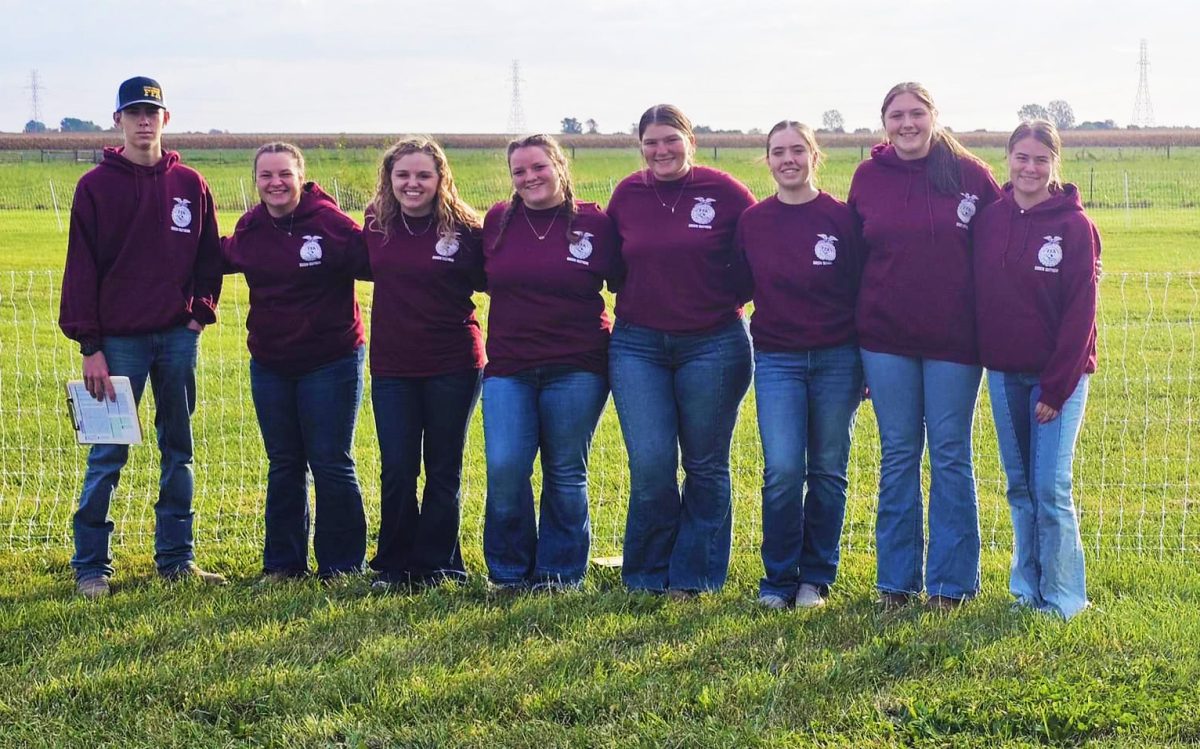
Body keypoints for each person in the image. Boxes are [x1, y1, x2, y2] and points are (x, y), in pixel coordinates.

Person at [59, 76, 225, 599]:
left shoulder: (191, 184)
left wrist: (198, 315)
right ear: (119, 122)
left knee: (179, 447)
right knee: (108, 453)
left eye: (152, 112)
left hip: (177, 338)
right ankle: (91, 565)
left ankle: (177, 558)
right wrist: (91, 346)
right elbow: (81, 269)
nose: (144, 121)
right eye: (133, 112)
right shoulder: (95, 187)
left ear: (166, 120)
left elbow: (209, 258)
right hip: (118, 343)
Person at [848, 82, 1001, 610]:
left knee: (951, 454)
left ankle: (952, 585)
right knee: (897, 456)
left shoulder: (971, 175)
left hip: (955, 344)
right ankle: (896, 582)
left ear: (934, 116)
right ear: (884, 122)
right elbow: (853, 260)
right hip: (885, 341)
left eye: (917, 113)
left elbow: (1005, 239)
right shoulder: (868, 177)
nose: (907, 123)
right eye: (896, 115)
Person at [607, 104, 756, 597]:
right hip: (638, 345)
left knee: (705, 462)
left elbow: (757, 257)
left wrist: (720, 298)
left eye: (670, 139)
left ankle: (696, 577)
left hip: (712, 344)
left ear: (690, 140)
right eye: (651, 142)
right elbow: (613, 265)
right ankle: (646, 575)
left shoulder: (726, 193)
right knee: (650, 462)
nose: (661, 150)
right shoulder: (627, 194)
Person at [222, 142, 369, 581]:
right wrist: (195, 311)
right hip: (270, 363)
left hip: (331, 360)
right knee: (284, 462)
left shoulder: (329, 223)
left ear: (301, 177)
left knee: (331, 460)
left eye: (284, 174)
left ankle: (342, 565)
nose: (275, 183)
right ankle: (283, 565)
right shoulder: (251, 227)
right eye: (266, 176)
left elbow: (381, 262)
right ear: (256, 182)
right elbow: (213, 258)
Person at [481, 134, 618, 591]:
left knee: (564, 469)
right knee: (505, 466)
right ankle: (508, 571)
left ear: (559, 165)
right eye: (519, 171)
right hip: (509, 367)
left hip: (577, 366)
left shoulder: (595, 224)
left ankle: (560, 573)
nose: (529, 177)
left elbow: (628, 278)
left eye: (538, 166)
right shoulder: (498, 220)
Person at [736, 121, 864, 609]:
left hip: (838, 358)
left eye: (797, 150)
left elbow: (863, 288)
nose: (788, 159)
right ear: (766, 160)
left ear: (815, 155)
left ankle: (816, 578)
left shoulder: (841, 218)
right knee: (785, 469)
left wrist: (867, 363)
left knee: (829, 470)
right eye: (777, 152)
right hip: (777, 360)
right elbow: (733, 283)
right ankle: (778, 579)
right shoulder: (753, 221)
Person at [975, 120, 1099, 619]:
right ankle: (1026, 590)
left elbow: (1080, 314)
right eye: (1022, 157)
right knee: (1020, 486)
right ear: (1008, 159)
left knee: (1050, 487)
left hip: (1058, 380)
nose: (1030, 167)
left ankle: (1065, 598)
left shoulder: (1074, 227)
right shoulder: (989, 220)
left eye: (1040, 159)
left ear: (1054, 164)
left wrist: (1056, 386)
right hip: (1004, 375)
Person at [363, 137, 485, 589]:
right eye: (403, 175)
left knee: (443, 467)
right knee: (396, 467)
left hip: (454, 363)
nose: (412, 184)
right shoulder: (375, 223)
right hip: (393, 367)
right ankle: (394, 565)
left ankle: (437, 565)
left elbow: (501, 280)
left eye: (423, 175)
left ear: (440, 179)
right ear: (389, 178)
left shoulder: (467, 229)